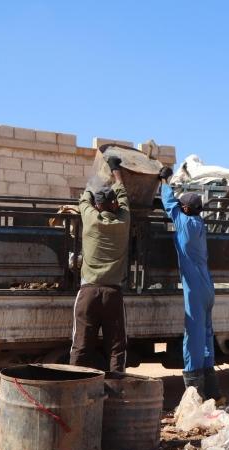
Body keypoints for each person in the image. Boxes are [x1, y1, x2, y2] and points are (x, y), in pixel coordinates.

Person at [158, 166, 223, 402]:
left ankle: (195, 393)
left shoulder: (183, 222)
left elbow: (168, 203)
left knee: (193, 339)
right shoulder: (199, 224)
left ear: (186, 209)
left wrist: (164, 180)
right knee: (206, 338)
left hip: (195, 290)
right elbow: (177, 205)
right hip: (207, 287)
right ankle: (213, 391)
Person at [70, 155, 131, 373]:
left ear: (97, 205)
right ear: (114, 204)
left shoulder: (90, 219)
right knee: (116, 347)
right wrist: (115, 169)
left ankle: (74, 387)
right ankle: (116, 390)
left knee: (81, 346)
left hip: (88, 293)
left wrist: (96, 177)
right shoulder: (123, 221)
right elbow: (123, 193)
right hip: (113, 294)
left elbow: (84, 198)